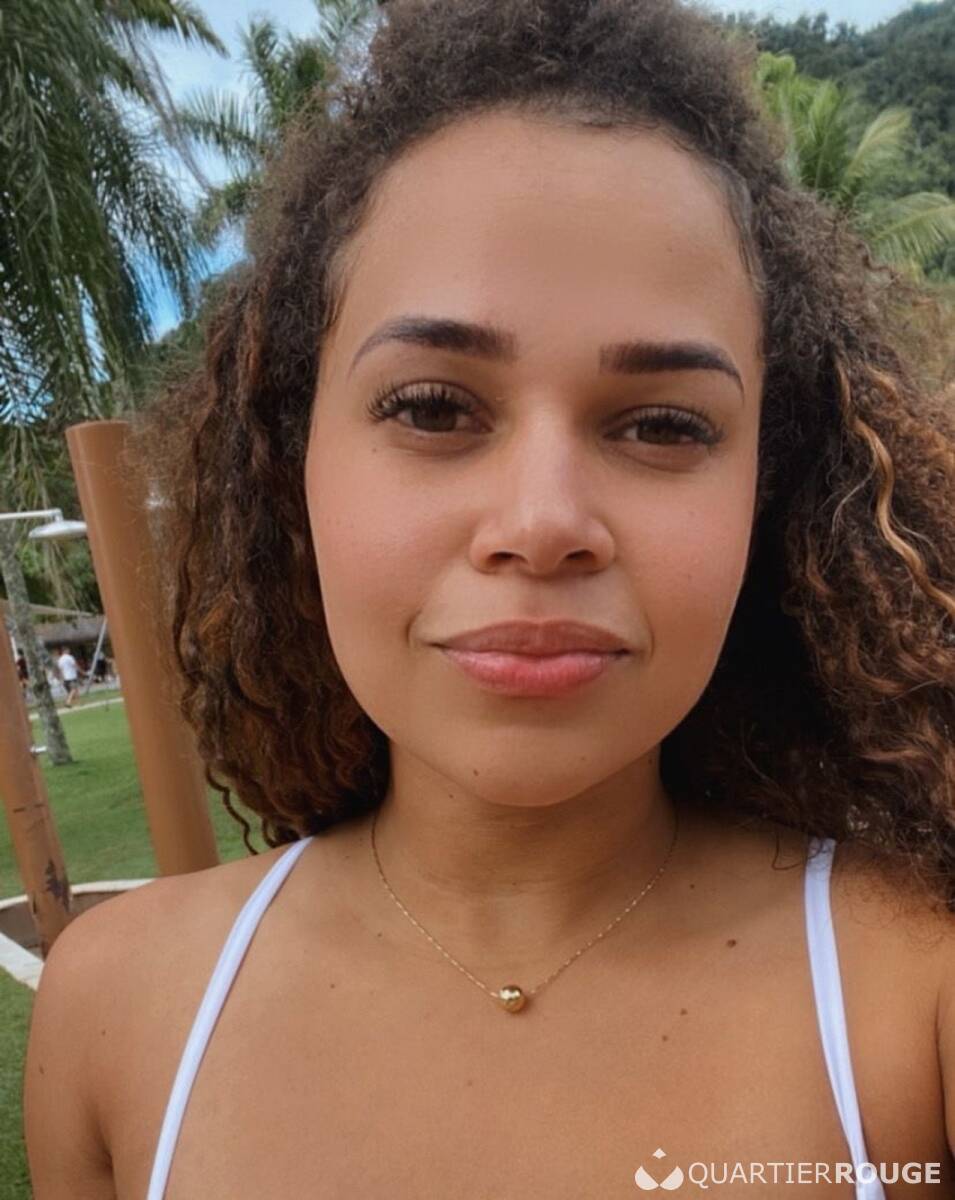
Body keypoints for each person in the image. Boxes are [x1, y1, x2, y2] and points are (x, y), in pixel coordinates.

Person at [24, 0, 955, 1196]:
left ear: (767, 489)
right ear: (290, 459)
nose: (541, 522)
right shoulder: (113, 1014)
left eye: (664, 425)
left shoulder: (916, 1002)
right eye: (431, 408)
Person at [54, 644, 80, 709]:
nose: (69, 651)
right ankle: (68, 702)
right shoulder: (70, 657)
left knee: (75, 690)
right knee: (73, 690)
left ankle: (78, 703)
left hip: (65, 677)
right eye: (68, 650)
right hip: (71, 676)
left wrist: (61, 677)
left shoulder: (60, 659)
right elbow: (75, 665)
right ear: (66, 650)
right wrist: (81, 671)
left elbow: (60, 669)